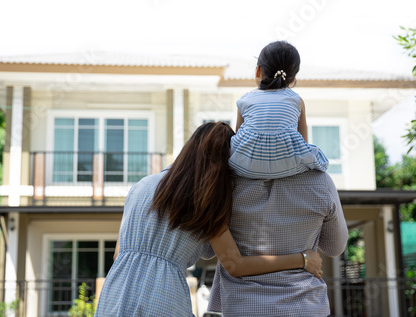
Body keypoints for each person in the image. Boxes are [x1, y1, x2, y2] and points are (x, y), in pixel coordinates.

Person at [94, 122, 323, 317]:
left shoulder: (141, 186)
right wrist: (303, 259)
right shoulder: (204, 198)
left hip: (114, 296)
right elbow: (235, 265)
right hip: (162, 299)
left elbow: (118, 254)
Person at [207, 171, 349, 316]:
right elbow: (335, 248)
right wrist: (303, 258)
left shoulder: (221, 183)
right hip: (305, 306)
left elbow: (206, 251)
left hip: (246, 307)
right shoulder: (321, 181)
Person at [229, 40, 329, 179]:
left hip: (245, 167)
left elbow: (238, 138)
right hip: (289, 166)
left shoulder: (245, 100)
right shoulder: (296, 101)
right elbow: (303, 142)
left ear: (258, 70)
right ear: (293, 79)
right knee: (317, 154)